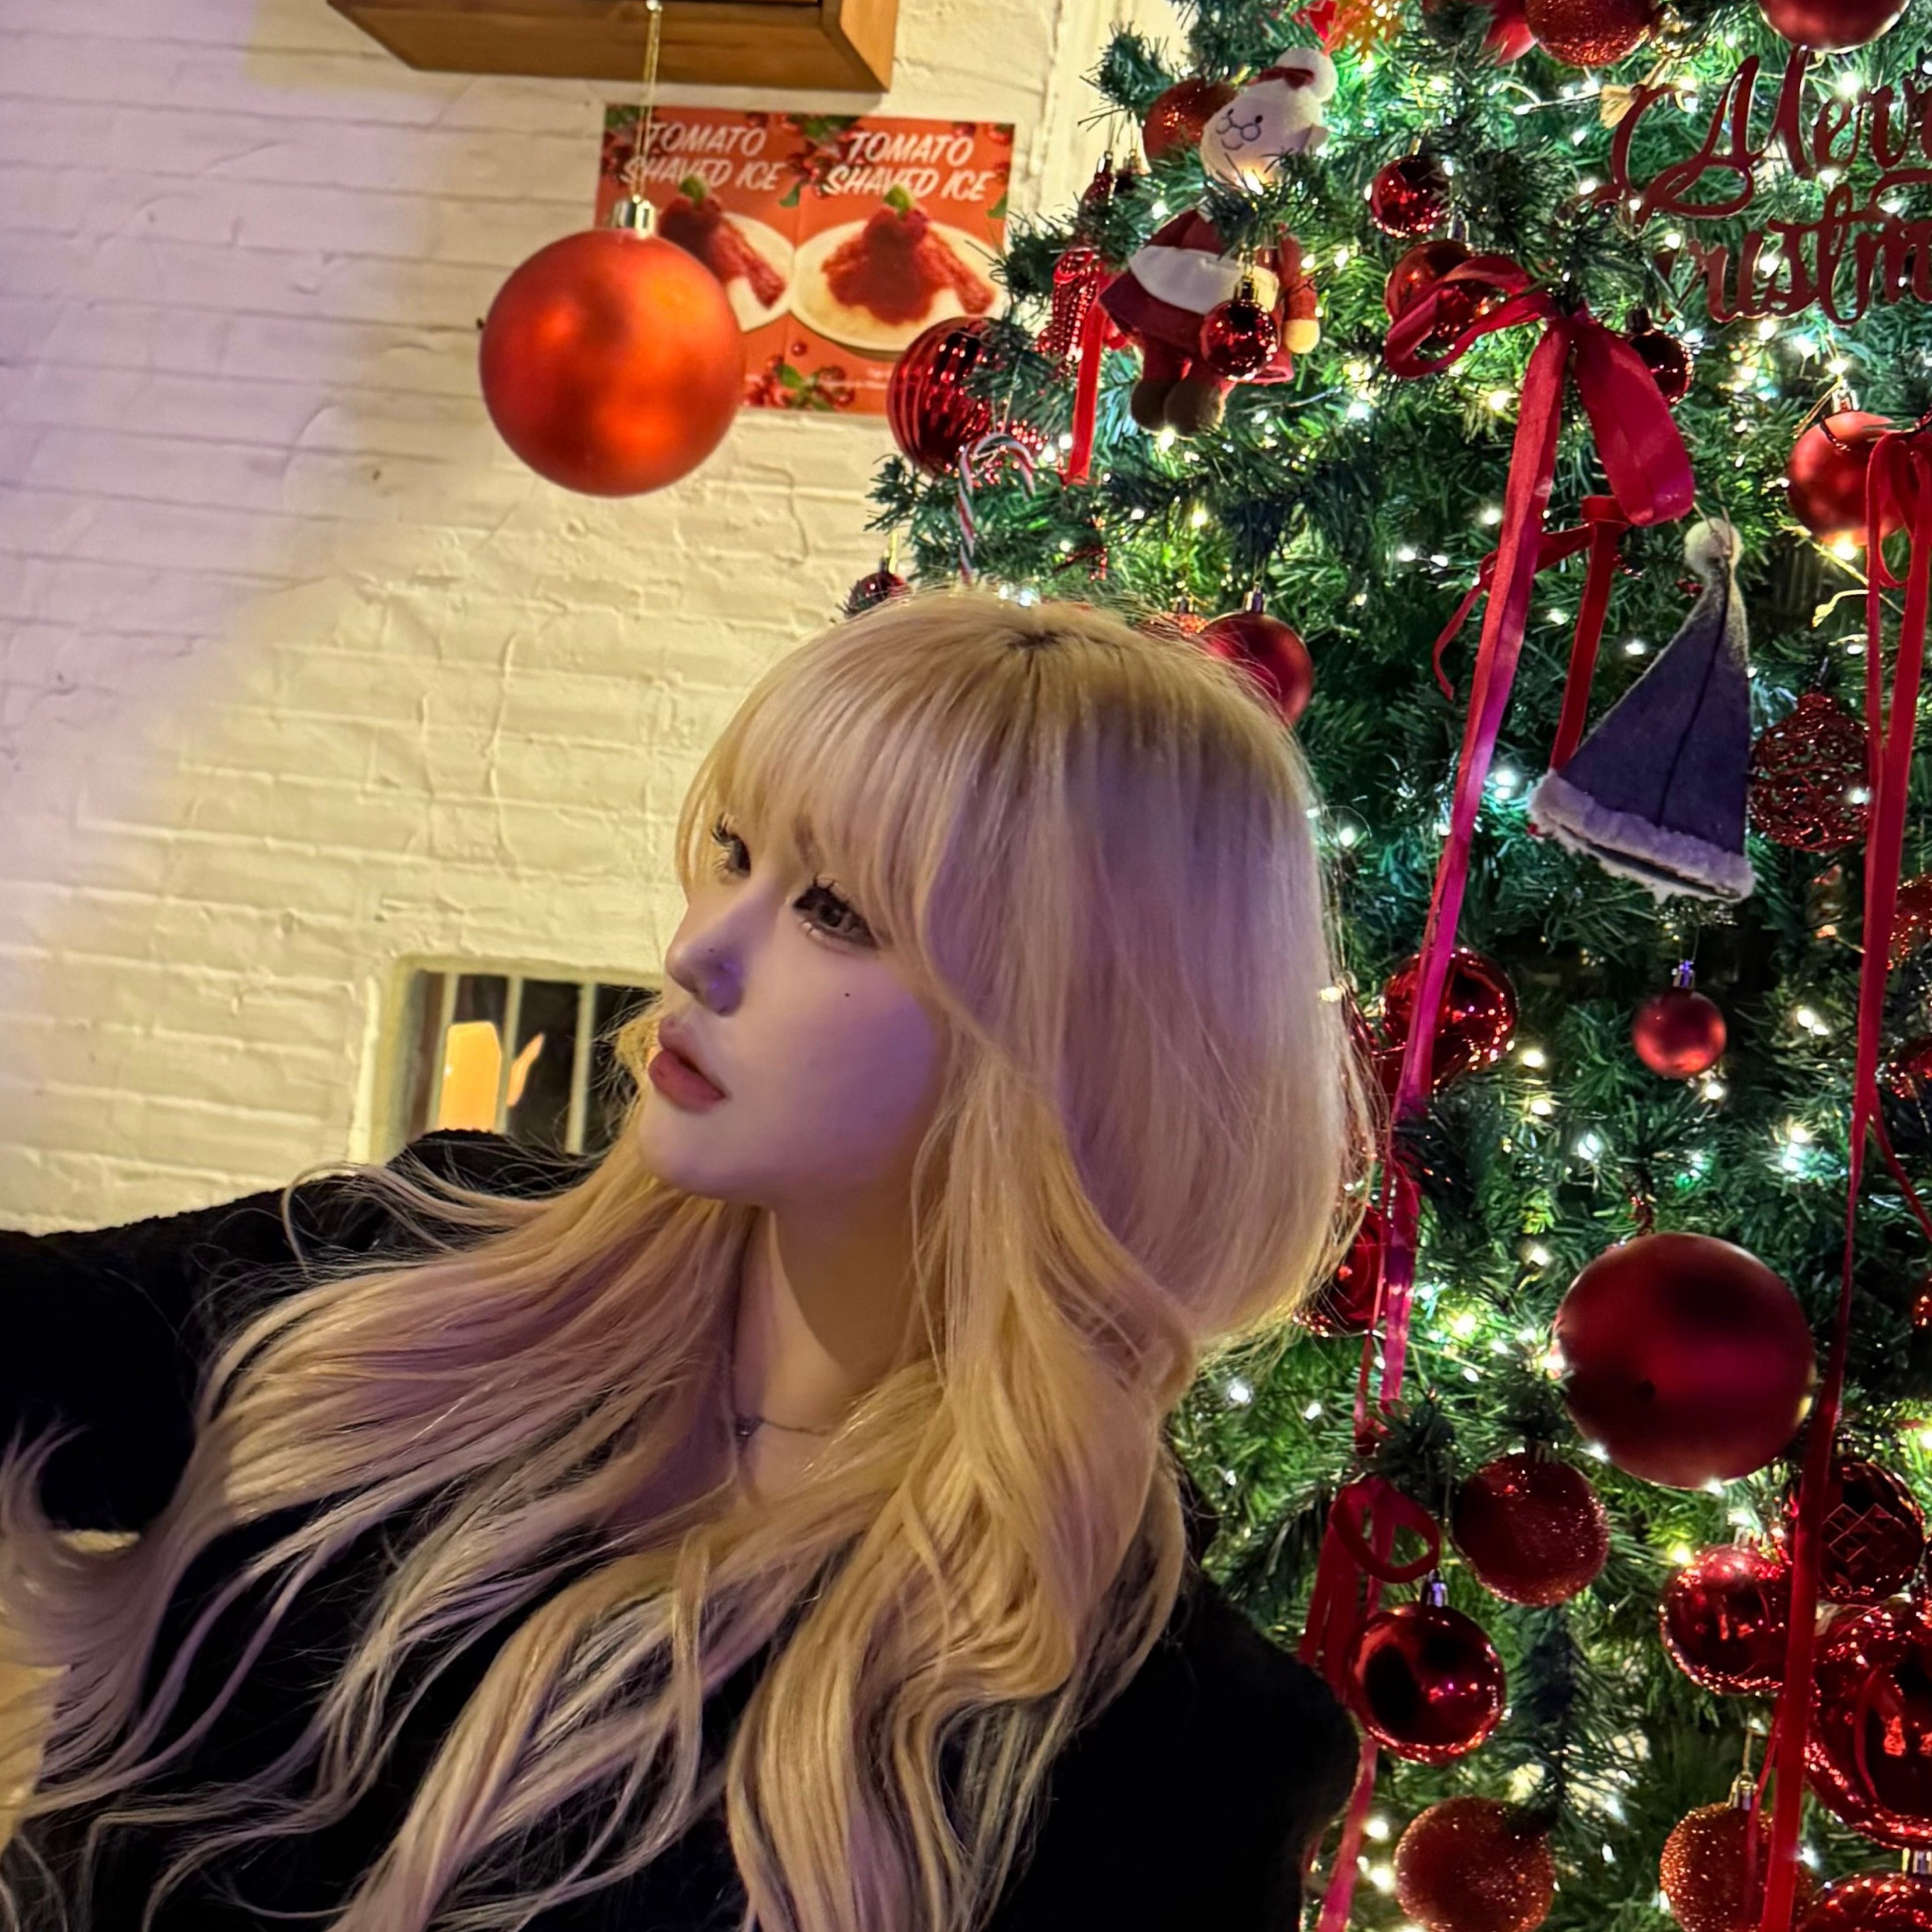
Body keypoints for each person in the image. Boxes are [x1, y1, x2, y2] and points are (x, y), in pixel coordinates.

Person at [0, 589, 1372, 1932]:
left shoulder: (1166, 1755)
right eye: (732, 851)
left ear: (1079, 1048)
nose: (695, 949)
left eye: (834, 910)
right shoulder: (412, 1258)